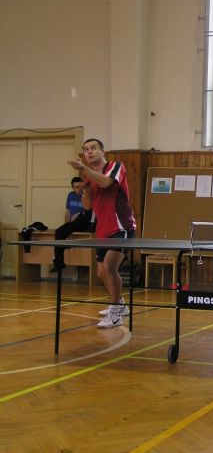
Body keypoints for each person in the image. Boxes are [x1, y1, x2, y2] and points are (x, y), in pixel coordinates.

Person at [67, 138, 136, 328]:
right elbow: (87, 206)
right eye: (86, 149)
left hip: (121, 226)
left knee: (109, 266)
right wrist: (86, 188)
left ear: (103, 152)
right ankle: (120, 305)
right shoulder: (89, 177)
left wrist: (83, 169)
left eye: (93, 148)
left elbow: (106, 182)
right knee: (101, 272)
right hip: (102, 229)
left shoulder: (116, 166)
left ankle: (115, 314)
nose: (89, 152)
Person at [51, 176, 94, 272]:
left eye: (81, 186)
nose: (79, 189)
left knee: (60, 232)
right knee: (60, 232)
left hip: (84, 220)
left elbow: (90, 211)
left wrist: (78, 214)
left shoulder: (87, 194)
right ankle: (59, 262)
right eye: (76, 187)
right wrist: (67, 226)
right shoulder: (70, 195)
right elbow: (68, 212)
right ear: (73, 188)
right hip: (74, 222)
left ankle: (58, 262)